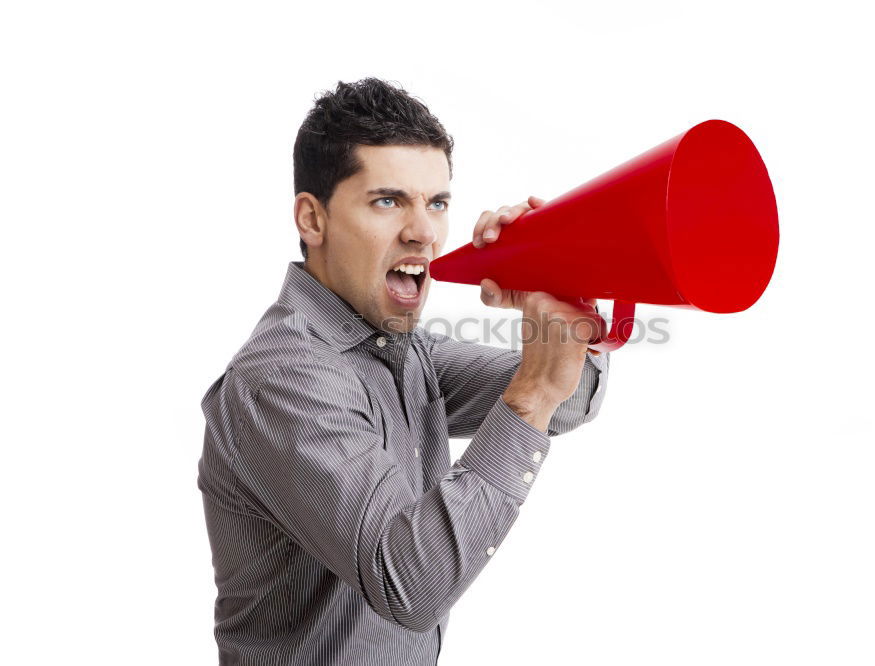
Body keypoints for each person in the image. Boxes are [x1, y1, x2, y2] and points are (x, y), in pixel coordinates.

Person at [197, 77, 610, 666]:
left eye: (436, 202)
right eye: (388, 201)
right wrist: (532, 393)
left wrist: (564, 280)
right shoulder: (281, 376)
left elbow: (570, 400)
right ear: (313, 220)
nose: (425, 232)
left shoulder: (400, 347)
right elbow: (410, 584)